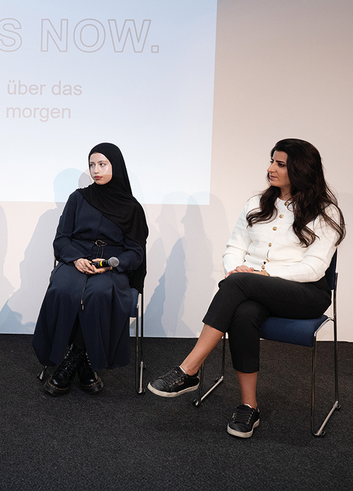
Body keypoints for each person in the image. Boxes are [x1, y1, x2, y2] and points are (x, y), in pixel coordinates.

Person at [148, 138, 344, 438]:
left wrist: (260, 274)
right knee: (243, 313)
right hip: (252, 289)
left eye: (280, 164)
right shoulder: (256, 204)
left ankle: (190, 369)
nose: (270, 169)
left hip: (306, 295)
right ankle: (249, 407)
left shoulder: (325, 213)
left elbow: (314, 268)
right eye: (272, 161)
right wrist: (235, 269)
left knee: (241, 284)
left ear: (301, 169)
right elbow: (234, 247)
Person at [32, 143, 148, 396]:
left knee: (98, 295)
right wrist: (75, 259)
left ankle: (72, 360)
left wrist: (111, 264)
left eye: (102, 164)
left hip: (111, 266)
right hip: (77, 259)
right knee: (63, 290)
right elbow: (61, 239)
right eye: (92, 164)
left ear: (115, 166)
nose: (96, 170)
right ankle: (84, 364)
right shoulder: (78, 198)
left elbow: (136, 251)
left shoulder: (132, 207)